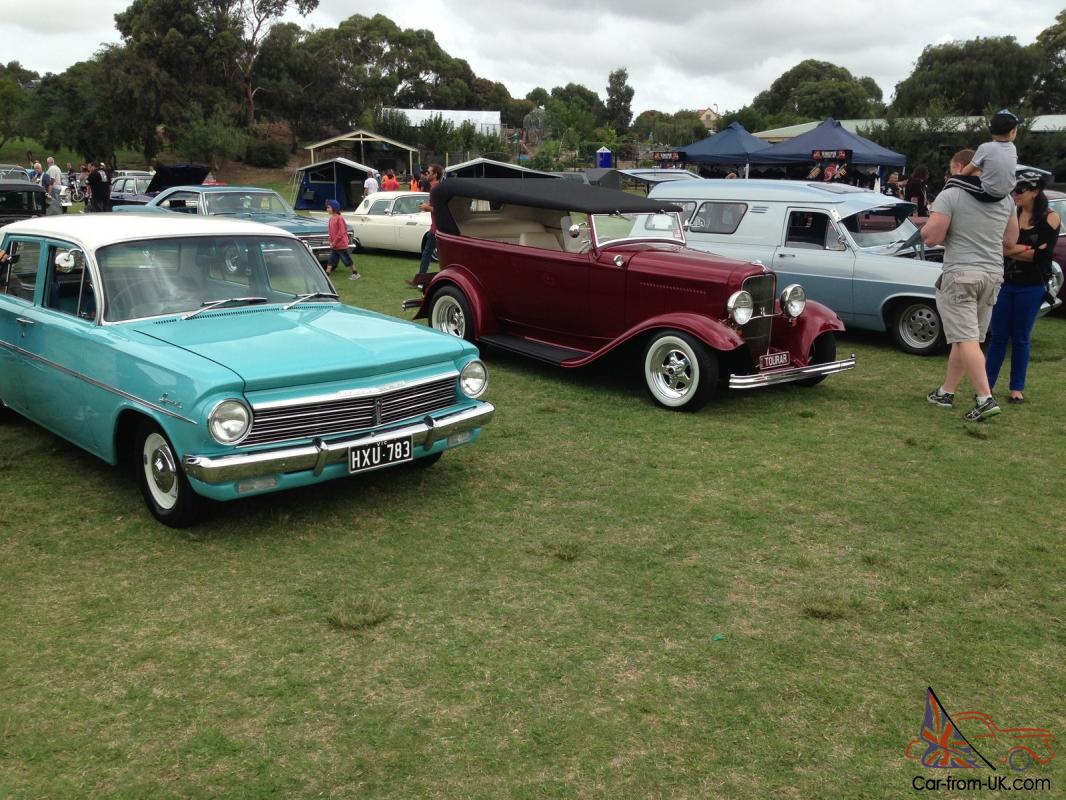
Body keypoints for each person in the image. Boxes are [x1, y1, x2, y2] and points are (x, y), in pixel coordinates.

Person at [922, 148, 1018, 421]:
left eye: (954, 169)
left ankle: (985, 399)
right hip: (992, 275)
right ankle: (946, 392)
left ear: (965, 166)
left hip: (960, 273)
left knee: (965, 339)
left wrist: (925, 230)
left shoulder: (951, 193)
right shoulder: (1005, 199)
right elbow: (1011, 241)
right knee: (968, 339)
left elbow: (933, 236)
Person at [984, 169, 1060, 404]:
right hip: (1006, 283)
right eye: (1013, 190)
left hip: (1032, 286)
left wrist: (1015, 250)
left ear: (1036, 191)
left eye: (1020, 190)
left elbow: (1042, 256)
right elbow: (1000, 248)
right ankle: (986, 385)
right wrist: (1027, 249)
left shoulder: (1050, 217)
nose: (1015, 194)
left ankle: (1017, 388)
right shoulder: (1010, 215)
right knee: (997, 336)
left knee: (1021, 337)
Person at [945, 110, 1019, 202]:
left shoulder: (985, 147)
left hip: (988, 193)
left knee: (952, 180)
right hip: (1007, 192)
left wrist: (959, 176)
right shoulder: (1012, 148)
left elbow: (968, 169)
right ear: (1013, 132)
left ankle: (942, 202)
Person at [408, 163, 443, 287]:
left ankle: (420, 280)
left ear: (435, 174)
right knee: (436, 254)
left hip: (437, 228)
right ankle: (423, 280)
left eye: (428, 172)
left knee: (428, 253)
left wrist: (426, 207)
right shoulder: (436, 187)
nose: (426, 174)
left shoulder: (435, 188)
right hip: (438, 227)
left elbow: (439, 209)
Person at [325, 199, 359, 280]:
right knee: (331, 260)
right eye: (327, 207)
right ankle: (327, 275)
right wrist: (330, 240)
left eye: (328, 207)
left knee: (346, 259)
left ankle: (355, 273)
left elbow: (341, 232)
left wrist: (334, 242)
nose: (327, 209)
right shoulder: (331, 219)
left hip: (341, 245)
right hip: (334, 245)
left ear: (334, 208)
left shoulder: (339, 218)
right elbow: (330, 231)